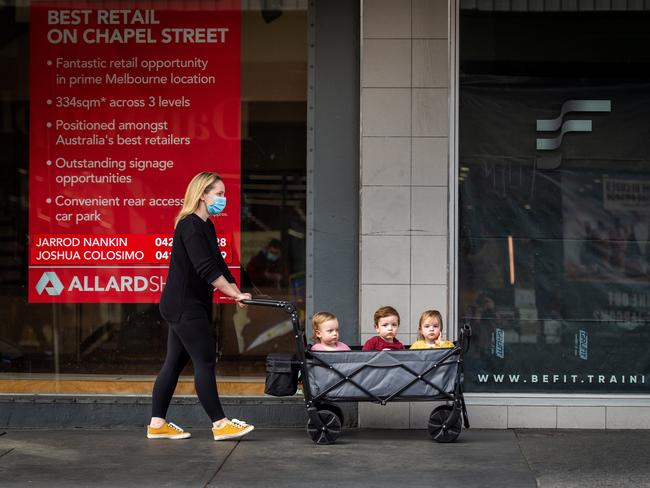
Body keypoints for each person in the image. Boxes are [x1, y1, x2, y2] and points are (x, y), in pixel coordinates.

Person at [148, 172, 254, 441]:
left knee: (173, 363)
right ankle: (220, 424)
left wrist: (236, 291)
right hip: (184, 306)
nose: (223, 199)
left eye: (223, 194)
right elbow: (205, 269)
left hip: (184, 304)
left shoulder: (205, 226)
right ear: (202, 195)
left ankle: (157, 424)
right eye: (218, 194)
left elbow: (217, 262)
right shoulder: (190, 226)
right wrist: (232, 293)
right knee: (204, 360)